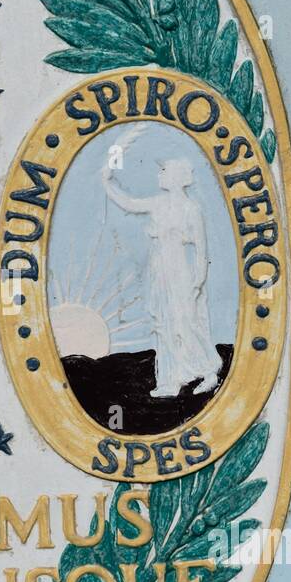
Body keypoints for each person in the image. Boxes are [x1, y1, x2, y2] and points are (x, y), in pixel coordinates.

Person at [101, 137, 222, 397]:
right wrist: (107, 181)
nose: (160, 174)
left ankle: (208, 371)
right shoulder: (158, 204)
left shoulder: (191, 209)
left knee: (186, 321)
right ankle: (171, 379)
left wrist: (199, 278)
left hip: (181, 270)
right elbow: (129, 204)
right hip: (161, 270)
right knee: (164, 323)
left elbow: (201, 248)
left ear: (177, 177)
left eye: (164, 170)